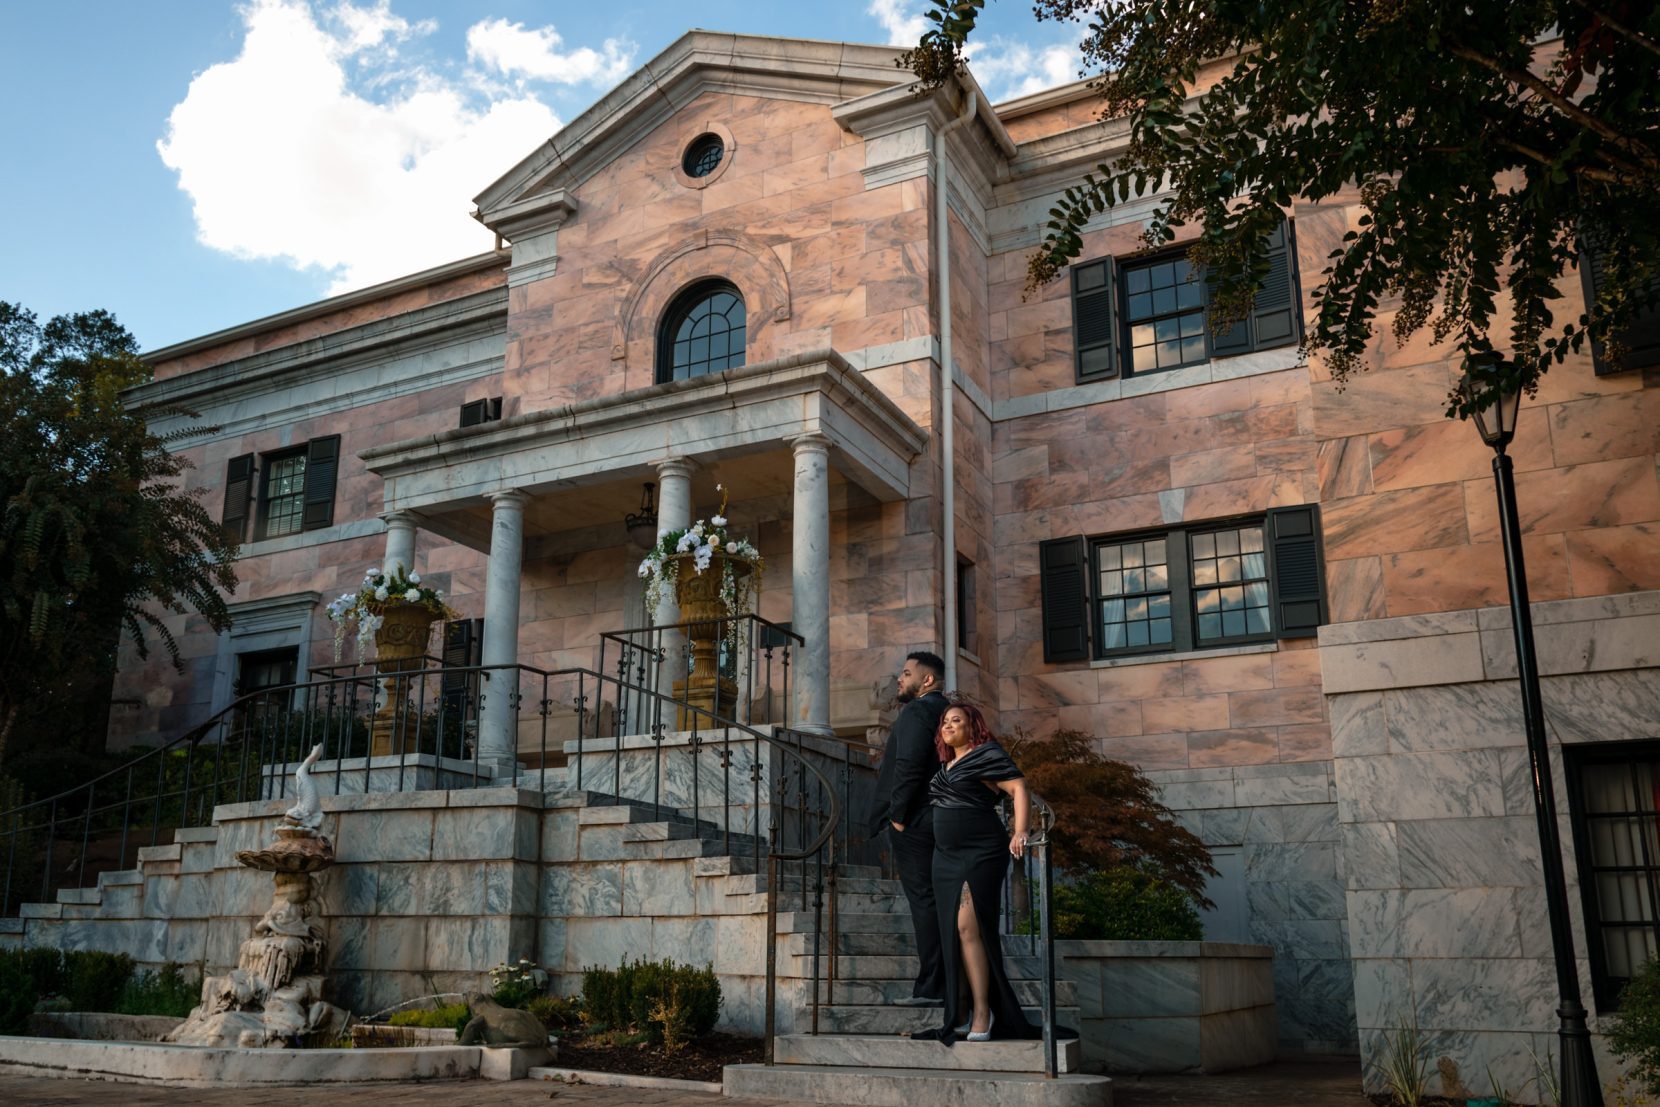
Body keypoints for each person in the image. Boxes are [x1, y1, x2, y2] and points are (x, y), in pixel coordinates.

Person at [911, 701, 1043, 1045]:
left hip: (981, 852)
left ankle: (984, 1011)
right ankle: (963, 1009)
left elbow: (1018, 788)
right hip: (944, 858)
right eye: (945, 722)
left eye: (957, 720)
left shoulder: (986, 755)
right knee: (953, 932)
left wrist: (1020, 831)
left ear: (973, 727)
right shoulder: (946, 764)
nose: (948, 726)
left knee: (967, 925)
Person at [868, 650, 950, 1006]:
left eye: (906, 673)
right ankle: (945, 982)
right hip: (940, 818)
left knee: (924, 902)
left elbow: (910, 764)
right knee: (938, 901)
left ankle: (933, 987)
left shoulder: (919, 710)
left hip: (916, 820)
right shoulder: (946, 712)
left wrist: (897, 815)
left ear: (926, 680)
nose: (899, 679)